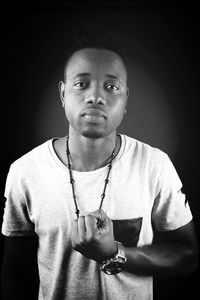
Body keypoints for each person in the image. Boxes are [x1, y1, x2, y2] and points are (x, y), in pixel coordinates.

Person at [1, 30, 198, 300]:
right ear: (62, 93)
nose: (95, 97)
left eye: (111, 86)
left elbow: (187, 255)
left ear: (126, 98)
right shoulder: (24, 171)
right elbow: (16, 271)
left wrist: (115, 253)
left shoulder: (155, 165)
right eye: (81, 84)